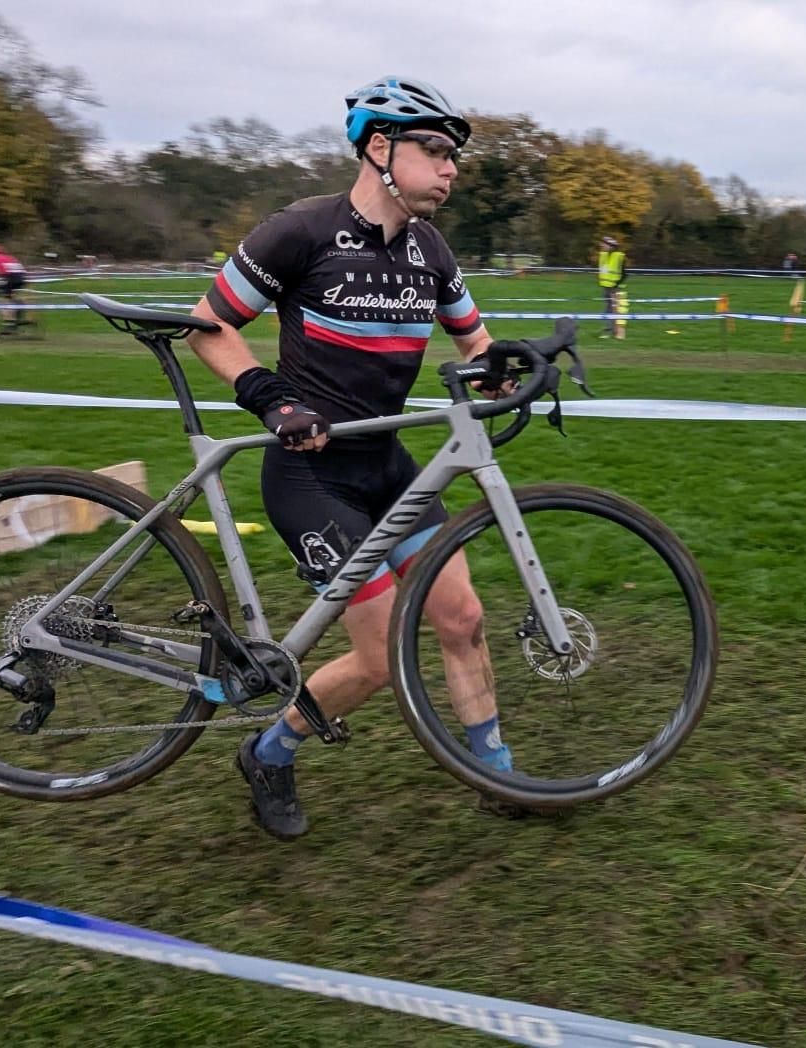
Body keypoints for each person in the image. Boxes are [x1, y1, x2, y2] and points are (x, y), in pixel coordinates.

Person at [186, 75, 535, 839]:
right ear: (380, 148)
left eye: (454, 156)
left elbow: (474, 346)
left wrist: (513, 367)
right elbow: (208, 325)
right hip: (312, 476)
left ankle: (500, 775)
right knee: (377, 661)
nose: (451, 169)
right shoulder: (301, 231)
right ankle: (269, 752)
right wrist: (270, 400)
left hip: (386, 467)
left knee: (463, 618)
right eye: (435, 150)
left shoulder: (430, 250)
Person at [597, 234, 627, 338]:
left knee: (618, 310)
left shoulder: (619, 256)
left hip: (616, 288)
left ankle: (618, 333)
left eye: (604, 244)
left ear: (611, 246)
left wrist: (616, 285)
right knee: (608, 309)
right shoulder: (603, 255)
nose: (602, 245)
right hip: (605, 287)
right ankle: (608, 331)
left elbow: (625, 274)